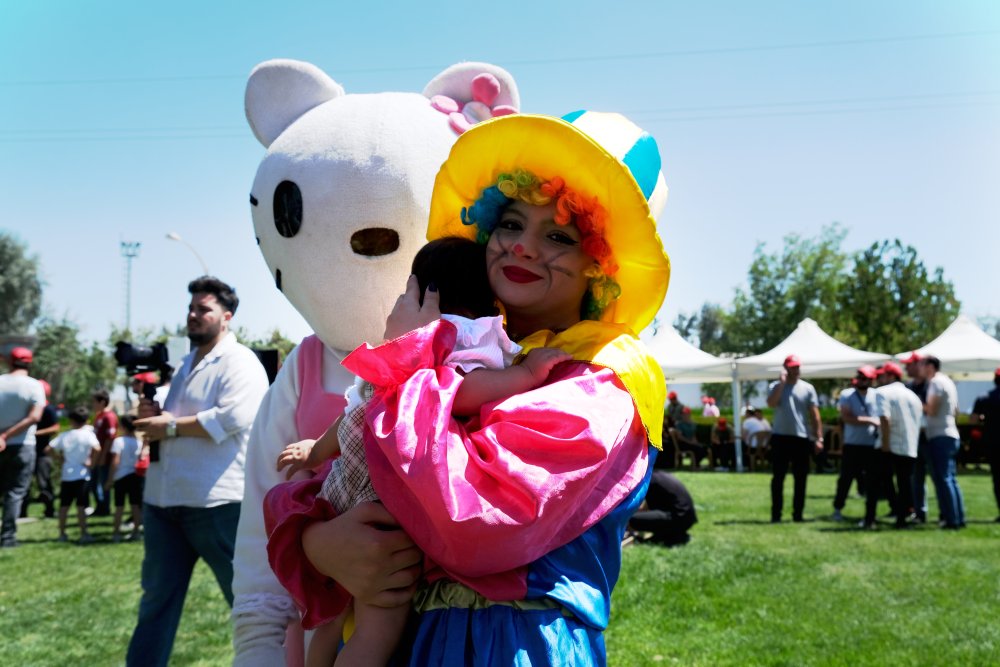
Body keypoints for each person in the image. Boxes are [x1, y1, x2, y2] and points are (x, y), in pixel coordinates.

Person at [268, 111, 671, 665]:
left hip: (514, 646)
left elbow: (470, 521)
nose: (523, 247)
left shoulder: (603, 379)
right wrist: (320, 543)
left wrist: (408, 364)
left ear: (600, 264)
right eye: (509, 223)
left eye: (557, 235)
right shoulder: (480, 349)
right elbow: (350, 471)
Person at [268, 237, 571, 667]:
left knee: (331, 615)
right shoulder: (464, 333)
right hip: (386, 495)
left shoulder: (399, 338)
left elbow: (358, 408)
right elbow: (462, 391)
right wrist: (524, 373)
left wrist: (315, 451)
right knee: (379, 625)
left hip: (341, 484)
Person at [126, 276, 269, 666]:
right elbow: (170, 420)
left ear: (226, 316)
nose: (193, 315)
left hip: (216, 503)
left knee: (249, 600)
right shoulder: (186, 363)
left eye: (202, 309)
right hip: (163, 502)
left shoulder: (241, 362)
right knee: (155, 603)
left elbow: (235, 417)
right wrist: (152, 418)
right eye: (191, 308)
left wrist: (168, 426)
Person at [767, 354, 823, 523]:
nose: (795, 370)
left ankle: (797, 515)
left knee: (801, 479)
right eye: (792, 367)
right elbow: (771, 403)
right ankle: (776, 515)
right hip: (780, 438)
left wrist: (818, 438)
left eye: (797, 367)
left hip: (801, 438)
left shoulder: (807, 388)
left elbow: (815, 415)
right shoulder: (775, 386)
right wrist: (782, 384)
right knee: (778, 478)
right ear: (785, 368)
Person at [868, 362, 923, 529]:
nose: (878, 379)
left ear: (891, 376)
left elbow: (884, 418)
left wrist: (884, 444)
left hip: (889, 445)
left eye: (881, 376)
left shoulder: (882, 392)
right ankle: (901, 520)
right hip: (909, 447)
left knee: (873, 483)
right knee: (905, 484)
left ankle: (869, 519)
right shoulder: (913, 396)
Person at [0, 346, 45, 547]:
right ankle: (7, 537)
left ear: (10, 361)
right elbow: (35, 417)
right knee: (15, 492)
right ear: (29, 363)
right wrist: (7, 435)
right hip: (22, 445)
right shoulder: (34, 386)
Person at [921, 355, 965, 529]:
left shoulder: (937, 382)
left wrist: (915, 402)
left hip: (940, 435)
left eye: (923, 365)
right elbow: (956, 410)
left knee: (944, 479)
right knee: (950, 479)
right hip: (949, 433)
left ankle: (951, 520)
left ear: (930, 366)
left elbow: (932, 409)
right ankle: (957, 518)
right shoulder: (947, 381)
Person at [832, 366, 880, 522]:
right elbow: (847, 417)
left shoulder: (877, 395)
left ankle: (870, 514)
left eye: (864, 378)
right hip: (852, 445)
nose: (860, 380)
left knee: (872, 481)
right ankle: (838, 509)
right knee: (845, 479)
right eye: (859, 377)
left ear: (871, 380)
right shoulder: (847, 395)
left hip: (872, 445)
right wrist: (870, 420)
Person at [48, 406, 101, 544]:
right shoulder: (88, 435)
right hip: (82, 474)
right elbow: (97, 448)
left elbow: (48, 449)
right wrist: (92, 463)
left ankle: (62, 533)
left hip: (67, 474)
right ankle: (84, 533)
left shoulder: (65, 435)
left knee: (64, 506)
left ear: (71, 420)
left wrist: (60, 459)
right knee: (81, 506)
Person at [21, 379, 59, 519]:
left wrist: (34, 433)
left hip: (42, 453)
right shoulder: (28, 408)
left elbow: (55, 428)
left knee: (44, 482)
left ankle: (50, 510)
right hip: (27, 450)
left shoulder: (48, 409)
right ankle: (21, 512)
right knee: (24, 482)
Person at [629, 470, 697, 546]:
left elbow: (646, 508)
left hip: (678, 519)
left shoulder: (649, 481)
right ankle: (672, 534)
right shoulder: (658, 476)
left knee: (630, 518)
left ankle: (667, 534)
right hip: (688, 518)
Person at [902, 351, 930, 523]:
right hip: (913, 438)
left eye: (909, 364)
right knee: (915, 477)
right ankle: (919, 512)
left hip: (930, 437)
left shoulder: (932, 385)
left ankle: (945, 514)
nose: (906, 368)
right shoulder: (908, 387)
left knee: (938, 477)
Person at [107, 415, 144, 542]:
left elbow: (115, 461)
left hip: (121, 476)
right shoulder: (138, 442)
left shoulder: (119, 441)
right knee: (135, 505)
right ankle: (136, 531)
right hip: (134, 475)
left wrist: (110, 478)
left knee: (119, 506)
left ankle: (116, 532)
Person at [971, 367, 1000, 521]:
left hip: (994, 443)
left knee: (997, 478)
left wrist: (984, 419)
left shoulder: (984, 398)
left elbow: (973, 420)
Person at [89, 389, 118, 516]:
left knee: (103, 483)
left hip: (104, 458)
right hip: (96, 456)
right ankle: (99, 506)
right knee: (94, 483)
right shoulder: (98, 416)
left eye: (95, 402)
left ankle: (104, 508)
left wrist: (103, 456)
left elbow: (110, 438)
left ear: (102, 402)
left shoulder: (109, 416)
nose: (93, 405)